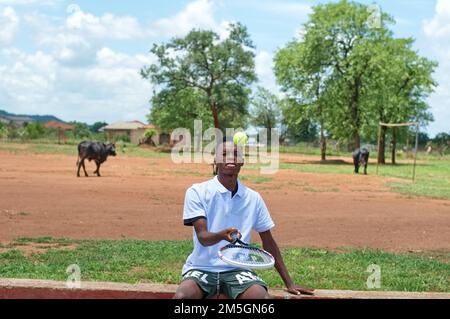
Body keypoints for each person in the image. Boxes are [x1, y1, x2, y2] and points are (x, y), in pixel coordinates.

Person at [174, 138, 314, 299]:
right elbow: (203, 238)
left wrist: (289, 283)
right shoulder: (197, 192)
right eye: (224, 154)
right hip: (202, 268)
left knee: (263, 299)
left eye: (235, 154)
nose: (230, 158)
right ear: (215, 161)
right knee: (182, 297)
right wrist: (221, 234)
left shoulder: (253, 198)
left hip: (238, 270)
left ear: (242, 161)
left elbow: (268, 241)